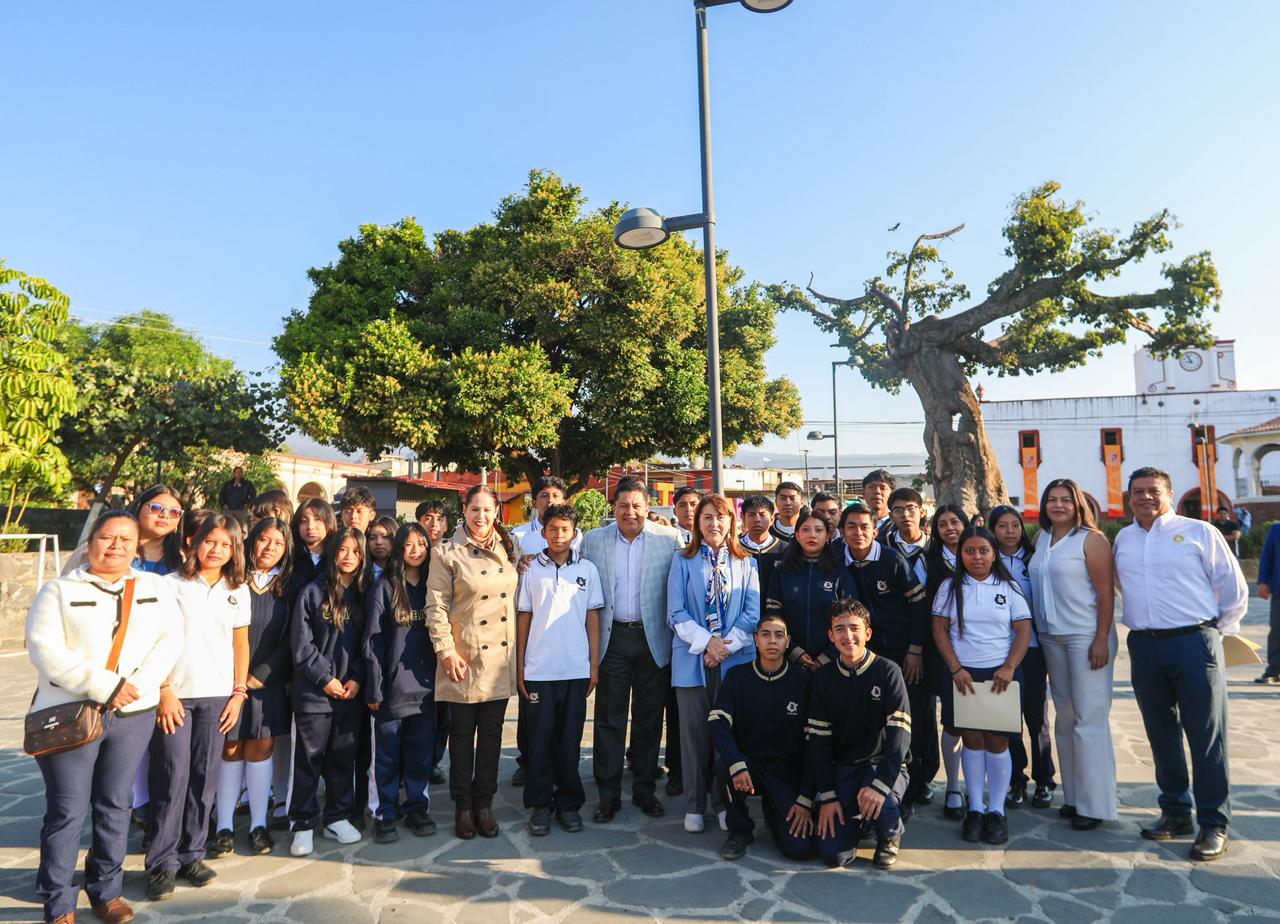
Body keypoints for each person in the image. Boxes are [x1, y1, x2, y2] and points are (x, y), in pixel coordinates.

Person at [27, 511, 183, 924]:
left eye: (126, 540)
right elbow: (45, 649)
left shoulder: (154, 588)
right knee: (67, 810)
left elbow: (170, 641)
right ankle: (59, 901)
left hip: (133, 712)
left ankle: (106, 891)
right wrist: (105, 685)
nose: (116, 546)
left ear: (137, 547)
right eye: (107, 537)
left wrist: (136, 687)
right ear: (90, 542)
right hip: (70, 713)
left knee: (116, 803)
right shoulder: (59, 590)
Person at [1114, 467, 1247, 862]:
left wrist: (1215, 633)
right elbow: (1122, 585)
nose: (1145, 497)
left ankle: (1213, 823)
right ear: (1129, 497)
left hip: (1194, 643)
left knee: (1206, 737)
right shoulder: (1123, 539)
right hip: (1144, 646)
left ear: (1169, 494)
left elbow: (1233, 587)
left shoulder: (1199, 532)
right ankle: (1175, 812)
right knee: (1161, 734)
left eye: (1153, 490)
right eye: (1138, 491)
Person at [146, 514, 250, 901]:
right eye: (210, 541)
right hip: (175, 695)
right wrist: (163, 688)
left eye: (226, 545)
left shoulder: (237, 590)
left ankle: (192, 854)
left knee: (204, 779)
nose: (217, 550)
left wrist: (238, 692)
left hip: (217, 696)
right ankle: (162, 862)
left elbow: (240, 644)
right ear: (193, 542)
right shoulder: (169, 585)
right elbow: (153, 639)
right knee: (171, 777)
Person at [581, 478, 684, 823]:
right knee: (609, 718)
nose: (630, 512)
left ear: (647, 507)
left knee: (649, 718)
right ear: (613, 507)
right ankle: (608, 794)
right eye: (623, 505)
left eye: (637, 505)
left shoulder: (669, 539)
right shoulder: (594, 541)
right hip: (612, 639)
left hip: (653, 639)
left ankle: (644, 788)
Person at [425, 485, 523, 840]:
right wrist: (446, 651)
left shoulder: (510, 547)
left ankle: (485, 802)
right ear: (464, 510)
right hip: (464, 656)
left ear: (497, 512)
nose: (481, 516)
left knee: (492, 736)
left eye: (487, 510)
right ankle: (463, 806)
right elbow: (436, 606)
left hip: (499, 657)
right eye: (474, 509)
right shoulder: (446, 552)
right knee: (462, 736)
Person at [932, 526, 1032, 846]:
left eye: (984, 551)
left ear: (993, 553)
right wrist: (956, 668)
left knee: (998, 742)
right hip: (963, 676)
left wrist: (1009, 666)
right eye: (970, 551)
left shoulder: (1008, 586)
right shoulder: (950, 587)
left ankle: (996, 811)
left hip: (1001, 675)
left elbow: (1023, 630)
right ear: (961, 554)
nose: (977, 557)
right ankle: (975, 808)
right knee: (973, 741)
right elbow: (939, 629)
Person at [667, 493, 761, 834]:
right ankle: (694, 805)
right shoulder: (682, 560)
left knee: (729, 734)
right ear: (698, 523)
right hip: (692, 658)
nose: (714, 523)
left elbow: (752, 613)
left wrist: (723, 648)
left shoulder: (747, 562)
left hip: (733, 661)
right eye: (707, 517)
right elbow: (675, 612)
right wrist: (708, 642)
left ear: (731, 522)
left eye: (721, 517)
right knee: (693, 736)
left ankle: (725, 803)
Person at [1027, 480, 1117, 830]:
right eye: (1052, 499)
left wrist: (1101, 639)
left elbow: (1106, 593)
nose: (1058, 505)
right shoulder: (1042, 539)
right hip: (1051, 637)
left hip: (1086, 637)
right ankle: (1075, 797)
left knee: (1088, 719)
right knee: (1064, 718)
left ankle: (1096, 805)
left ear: (1078, 504)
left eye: (1066, 499)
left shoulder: (1091, 540)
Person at [836, 501, 933, 810]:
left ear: (875, 531)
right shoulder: (836, 559)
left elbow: (919, 606)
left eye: (864, 527)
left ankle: (912, 788)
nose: (858, 532)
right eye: (851, 526)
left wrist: (915, 650)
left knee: (908, 720)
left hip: (902, 655)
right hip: (861, 657)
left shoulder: (892, 560)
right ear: (842, 532)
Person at [209, 517, 294, 860]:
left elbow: (292, 638)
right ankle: (224, 827)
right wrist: (236, 679)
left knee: (261, 749)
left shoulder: (288, 586)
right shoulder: (230, 581)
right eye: (264, 540)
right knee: (229, 749)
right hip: (227, 681)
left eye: (278, 543)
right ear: (251, 541)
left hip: (266, 682)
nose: (270, 548)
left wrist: (262, 675)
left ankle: (259, 825)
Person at [516, 504, 603, 836]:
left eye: (565, 529)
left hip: (575, 670)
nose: (558, 535)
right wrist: (521, 666)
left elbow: (592, 617)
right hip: (539, 671)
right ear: (543, 532)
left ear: (575, 533)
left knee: (569, 742)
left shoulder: (588, 570)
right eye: (552, 529)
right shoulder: (530, 570)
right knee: (539, 741)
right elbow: (524, 616)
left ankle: (568, 804)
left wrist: (593, 664)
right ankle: (540, 805)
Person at [808, 600, 912, 870]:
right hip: (845, 768)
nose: (848, 635)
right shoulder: (824, 678)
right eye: (839, 629)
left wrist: (880, 785)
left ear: (868, 633)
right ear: (831, 636)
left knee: (882, 802)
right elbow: (818, 742)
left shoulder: (888, 672)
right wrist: (828, 795)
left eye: (854, 628)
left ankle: (889, 833)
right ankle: (862, 819)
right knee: (834, 855)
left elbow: (899, 739)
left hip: (883, 765)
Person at [709, 613, 816, 862]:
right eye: (765, 634)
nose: (772, 641)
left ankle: (774, 811)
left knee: (799, 849)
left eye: (779, 635)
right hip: (749, 768)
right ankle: (740, 829)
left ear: (787, 641)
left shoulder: (803, 680)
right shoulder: (737, 676)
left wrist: (806, 798)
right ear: (755, 640)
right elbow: (717, 722)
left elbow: (816, 742)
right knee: (725, 766)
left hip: (786, 774)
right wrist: (736, 762)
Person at [289, 527, 368, 857]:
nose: (348, 556)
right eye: (343, 550)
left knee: (343, 759)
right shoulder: (312, 592)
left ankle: (337, 817)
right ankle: (303, 822)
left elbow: (370, 643)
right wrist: (325, 678)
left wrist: (357, 678)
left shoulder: (365, 595)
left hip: (350, 694)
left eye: (355, 551)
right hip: (314, 695)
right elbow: (301, 644)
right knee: (309, 760)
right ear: (333, 553)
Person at [365, 523, 438, 843]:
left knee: (420, 755)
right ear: (399, 548)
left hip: (426, 689)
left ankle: (417, 807)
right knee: (387, 757)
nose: (416, 550)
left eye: (422, 543)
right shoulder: (383, 587)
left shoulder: (434, 586)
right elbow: (373, 642)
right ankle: (384, 812)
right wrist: (375, 685)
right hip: (392, 690)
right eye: (409, 544)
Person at [510, 476, 582, 787]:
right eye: (543, 495)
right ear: (534, 500)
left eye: (555, 495)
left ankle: (559, 772)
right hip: (529, 623)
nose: (549, 500)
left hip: (564, 636)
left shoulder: (577, 537)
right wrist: (519, 563)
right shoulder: (518, 535)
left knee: (563, 719)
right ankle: (527, 761)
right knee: (530, 710)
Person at [988, 505, 1057, 812]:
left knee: (1036, 717)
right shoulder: (987, 560)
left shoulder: (1034, 559)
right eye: (1002, 526)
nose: (1009, 531)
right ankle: (1016, 779)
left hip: (1032, 649)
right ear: (992, 529)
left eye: (1014, 525)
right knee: (1007, 719)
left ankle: (1045, 779)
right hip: (997, 651)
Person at [925, 504, 970, 820]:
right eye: (942, 524)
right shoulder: (929, 562)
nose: (950, 528)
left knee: (982, 725)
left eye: (955, 522)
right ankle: (953, 786)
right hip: (944, 652)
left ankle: (980, 788)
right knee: (953, 720)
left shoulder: (981, 555)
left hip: (983, 652)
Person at [765, 509, 850, 671]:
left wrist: (828, 656)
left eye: (818, 530)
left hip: (833, 661)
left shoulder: (839, 571)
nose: (812, 535)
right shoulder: (782, 571)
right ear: (797, 535)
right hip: (789, 660)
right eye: (805, 530)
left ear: (827, 536)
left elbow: (850, 617)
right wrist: (793, 650)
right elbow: (773, 615)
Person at [415, 499, 452, 783]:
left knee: (444, 710)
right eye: (428, 518)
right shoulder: (411, 552)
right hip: (415, 637)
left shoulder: (453, 554)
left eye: (440, 518)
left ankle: (434, 760)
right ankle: (416, 760)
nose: (434, 524)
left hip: (447, 640)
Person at [1257, 520, 1280, 684]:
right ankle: (1274, 670)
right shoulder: (1276, 530)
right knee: (1277, 630)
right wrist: (1263, 582)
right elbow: (1267, 557)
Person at [365, 516, 399, 581]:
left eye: (385, 537)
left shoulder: (405, 573)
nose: (378, 542)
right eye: (372, 538)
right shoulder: (360, 574)